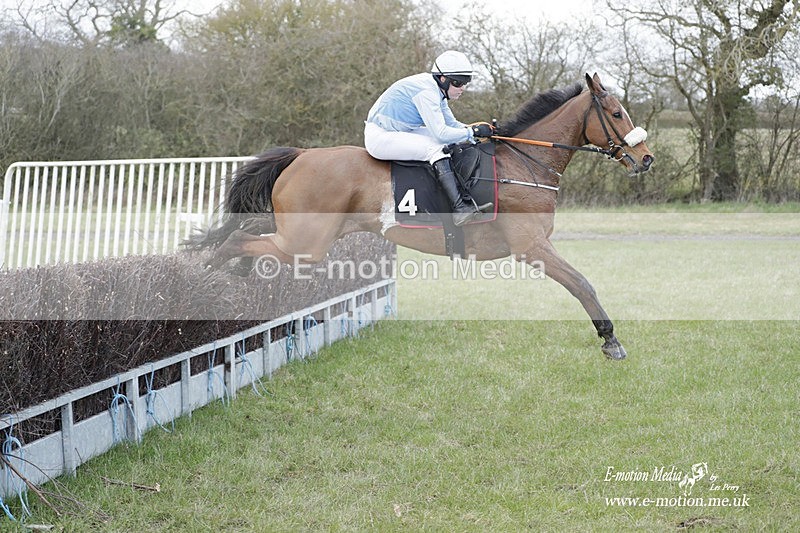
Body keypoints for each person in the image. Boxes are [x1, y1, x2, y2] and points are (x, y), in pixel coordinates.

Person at [364, 50, 494, 226]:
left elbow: (453, 125)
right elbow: (440, 134)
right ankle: (459, 209)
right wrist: (472, 132)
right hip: (380, 136)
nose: (462, 88)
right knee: (437, 147)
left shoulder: (438, 91)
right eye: (458, 82)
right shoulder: (427, 92)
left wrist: (479, 132)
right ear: (443, 79)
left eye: (466, 82)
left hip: (399, 130)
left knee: (453, 140)